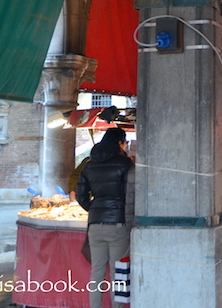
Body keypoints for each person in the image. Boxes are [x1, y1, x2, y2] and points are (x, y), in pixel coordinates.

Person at [76, 127, 135, 308]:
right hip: (118, 224)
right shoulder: (126, 164)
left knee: (97, 272)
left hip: (95, 224)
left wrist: (94, 208)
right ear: (119, 143)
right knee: (118, 273)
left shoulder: (89, 164)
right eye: (125, 142)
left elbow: (80, 195)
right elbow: (132, 195)